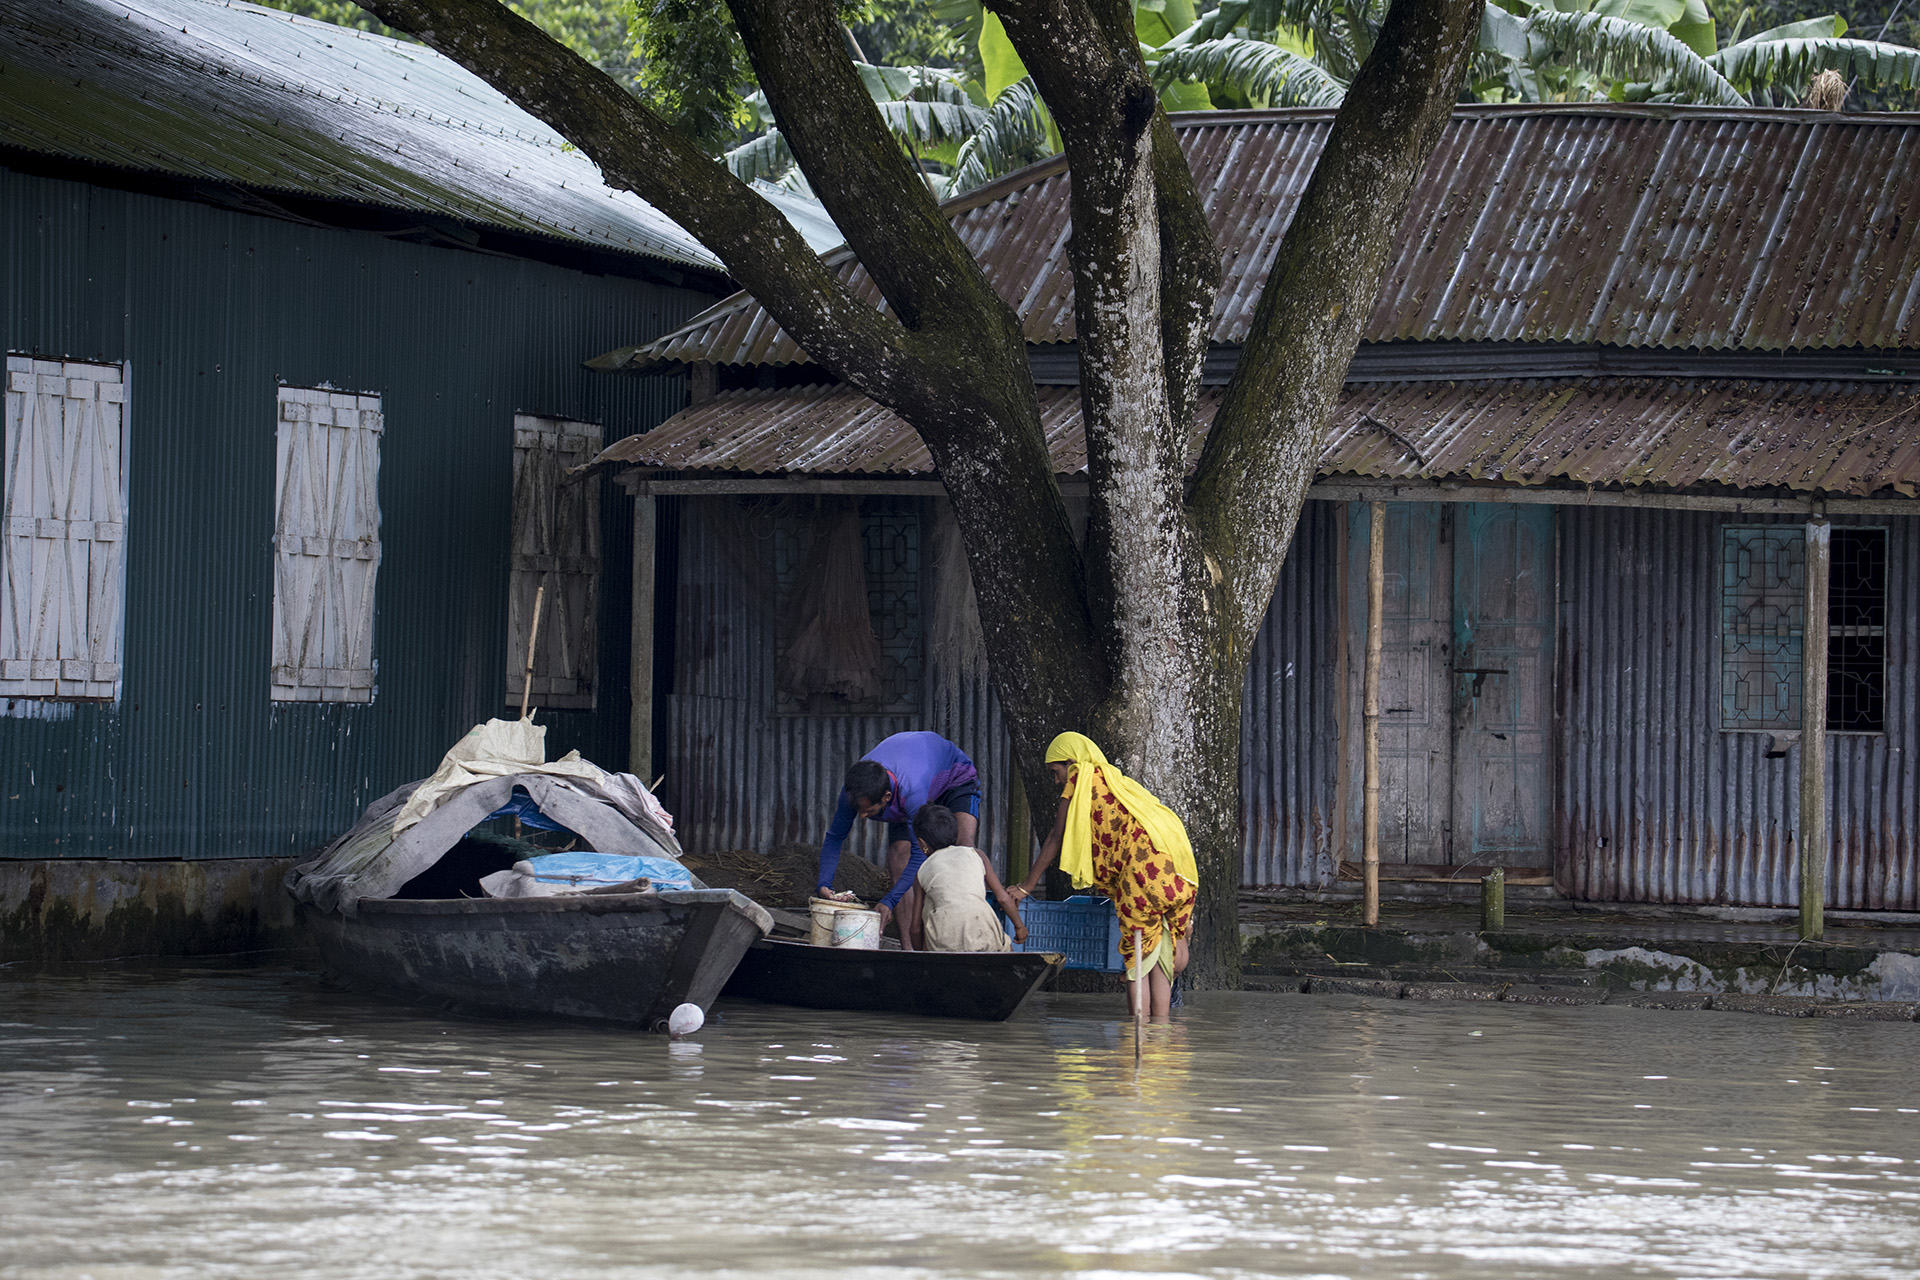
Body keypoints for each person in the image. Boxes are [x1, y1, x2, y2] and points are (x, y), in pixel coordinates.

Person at [1012, 732, 1198, 1018]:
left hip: (1141, 878)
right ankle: (1161, 1037)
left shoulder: (1080, 778)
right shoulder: (1117, 781)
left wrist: (1026, 887)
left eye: (1055, 772)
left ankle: (1139, 1033)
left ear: (1071, 762)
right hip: (1175, 873)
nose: (1057, 781)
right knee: (1161, 960)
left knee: (1137, 963)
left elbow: (1055, 837)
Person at [815, 731, 980, 950]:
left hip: (953, 781)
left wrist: (889, 901)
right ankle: (908, 950)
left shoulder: (911, 793)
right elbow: (835, 838)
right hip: (911, 780)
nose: (862, 817)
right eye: (858, 810)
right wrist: (824, 883)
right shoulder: (853, 794)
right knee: (898, 858)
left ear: (886, 797)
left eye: (868, 811)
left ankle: (965, 942)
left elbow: (920, 853)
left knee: (963, 850)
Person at [912, 803, 1026, 953]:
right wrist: (1019, 927)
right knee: (1004, 946)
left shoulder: (922, 870)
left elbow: (915, 928)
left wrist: (920, 952)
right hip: (984, 931)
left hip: (944, 944)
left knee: (931, 903)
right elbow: (1003, 898)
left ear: (922, 843)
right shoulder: (976, 854)